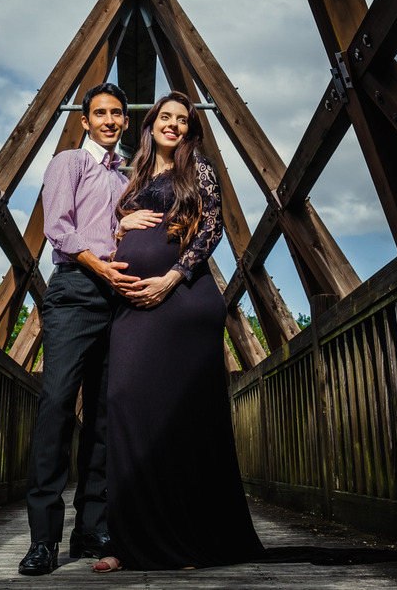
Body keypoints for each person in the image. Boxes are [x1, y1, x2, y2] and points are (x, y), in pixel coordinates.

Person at [97, 91, 264, 572]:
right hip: (131, 304)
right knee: (126, 404)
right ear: (150, 124)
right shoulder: (130, 173)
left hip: (184, 302)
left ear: (190, 129)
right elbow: (101, 229)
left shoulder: (199, 168)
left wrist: (171, 277)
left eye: (182, 121)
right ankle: (127, 542)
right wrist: (118, 221)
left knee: (183, 421)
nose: (173, 125)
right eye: (165, 118)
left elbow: (212, 226)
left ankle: (186, 541)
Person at [18, 82, 139, 576]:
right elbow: (59, 228)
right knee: (57, 407)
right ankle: (43, 540)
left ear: (126, 122)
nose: (109, 120)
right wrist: (100, 265)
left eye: (117, 113)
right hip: (75, 291)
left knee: (105, 419)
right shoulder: (71, 161)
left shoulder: (127, 178)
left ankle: (91, 529)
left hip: (119, 297)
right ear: (84, 120)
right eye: (100, 113)